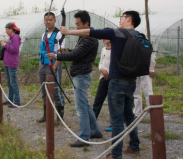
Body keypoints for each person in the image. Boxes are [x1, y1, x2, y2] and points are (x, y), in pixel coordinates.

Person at [60, 10, 142, 159]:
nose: (120, 20)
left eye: (122, 17)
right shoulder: (138, 36)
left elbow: (93, 32)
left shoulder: (117, 33)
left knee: (117, 121)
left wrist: (69, 31)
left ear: (129, 19)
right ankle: (134, 146)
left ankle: (116, 154)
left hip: (117, 82)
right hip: (131, 81)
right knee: (129, 116)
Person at [47, 10, 102, 147]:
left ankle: (84, 137)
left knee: (81, 107)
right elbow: (77, 53)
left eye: (78, 24)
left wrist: (57, 56)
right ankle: (94, 131)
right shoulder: (85, 37)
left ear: (86, 23)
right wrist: (67, 51)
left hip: (82, 75)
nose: (76, 27)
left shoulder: (89, 38)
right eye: (75, 24)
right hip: (81, 74)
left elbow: (76, 55)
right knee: (85, 104)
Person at [37, 12, 65, 124]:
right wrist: (40, 64)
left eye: (50, 20)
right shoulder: (43, 35)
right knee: (44, 90)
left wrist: (55, 66)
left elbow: (62, 53)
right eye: (46, 20)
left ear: (54, 20)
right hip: (43, 65)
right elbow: (42, 51)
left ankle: (60, 116)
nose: (48, 22)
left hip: (53, 66)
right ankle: (46, 114)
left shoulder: (58, 34)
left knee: (56, 90)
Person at [92, 37, 113, 132]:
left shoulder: (116, 49)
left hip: (112, 78)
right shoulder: (103, 49)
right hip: (103, 77)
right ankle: (92, 122)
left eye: (105, 37)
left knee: (112, 101)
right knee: (98, 100)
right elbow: (100, 63)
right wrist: (102, 70)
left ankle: (113, 124)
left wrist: (108, 72)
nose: (103, 39)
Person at [0, 22, 22, 108]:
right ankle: (10, 99)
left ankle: (17, 101)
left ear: (11, 29)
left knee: (13, 82)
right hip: (7, 62)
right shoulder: (10, 38)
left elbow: (15, 49)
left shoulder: (15, 38)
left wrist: (5, 45)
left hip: (12, 62)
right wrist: (6, 44)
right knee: (9, 82)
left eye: (7, 29)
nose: (6, 31)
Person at [133, 51, 156, 117]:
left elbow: (150, 55)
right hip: (135, 69)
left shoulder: (145, 42)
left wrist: (151, 68)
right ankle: (137, 113)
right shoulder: (132, 42)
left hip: (145, 70)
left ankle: (152, 112)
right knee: (136, 92)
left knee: (148, 91)